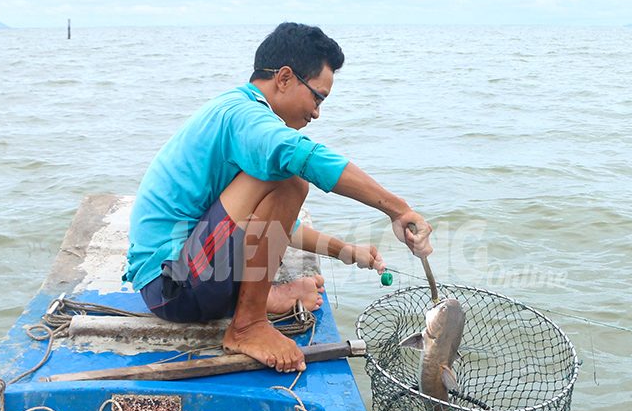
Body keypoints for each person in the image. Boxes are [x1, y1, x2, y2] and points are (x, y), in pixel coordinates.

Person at [124, 22, 432, 374]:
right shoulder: (242, 115)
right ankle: (247, 326)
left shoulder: (239, 114)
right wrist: (398, 209)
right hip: (172, 285)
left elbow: (273, 221)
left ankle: (263, 299)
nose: (317, 112)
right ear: (284, 78)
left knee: (283, 181)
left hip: (186, 275)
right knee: (292, 178)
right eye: (317, 96)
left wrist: (348, 252)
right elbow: (305, 158)